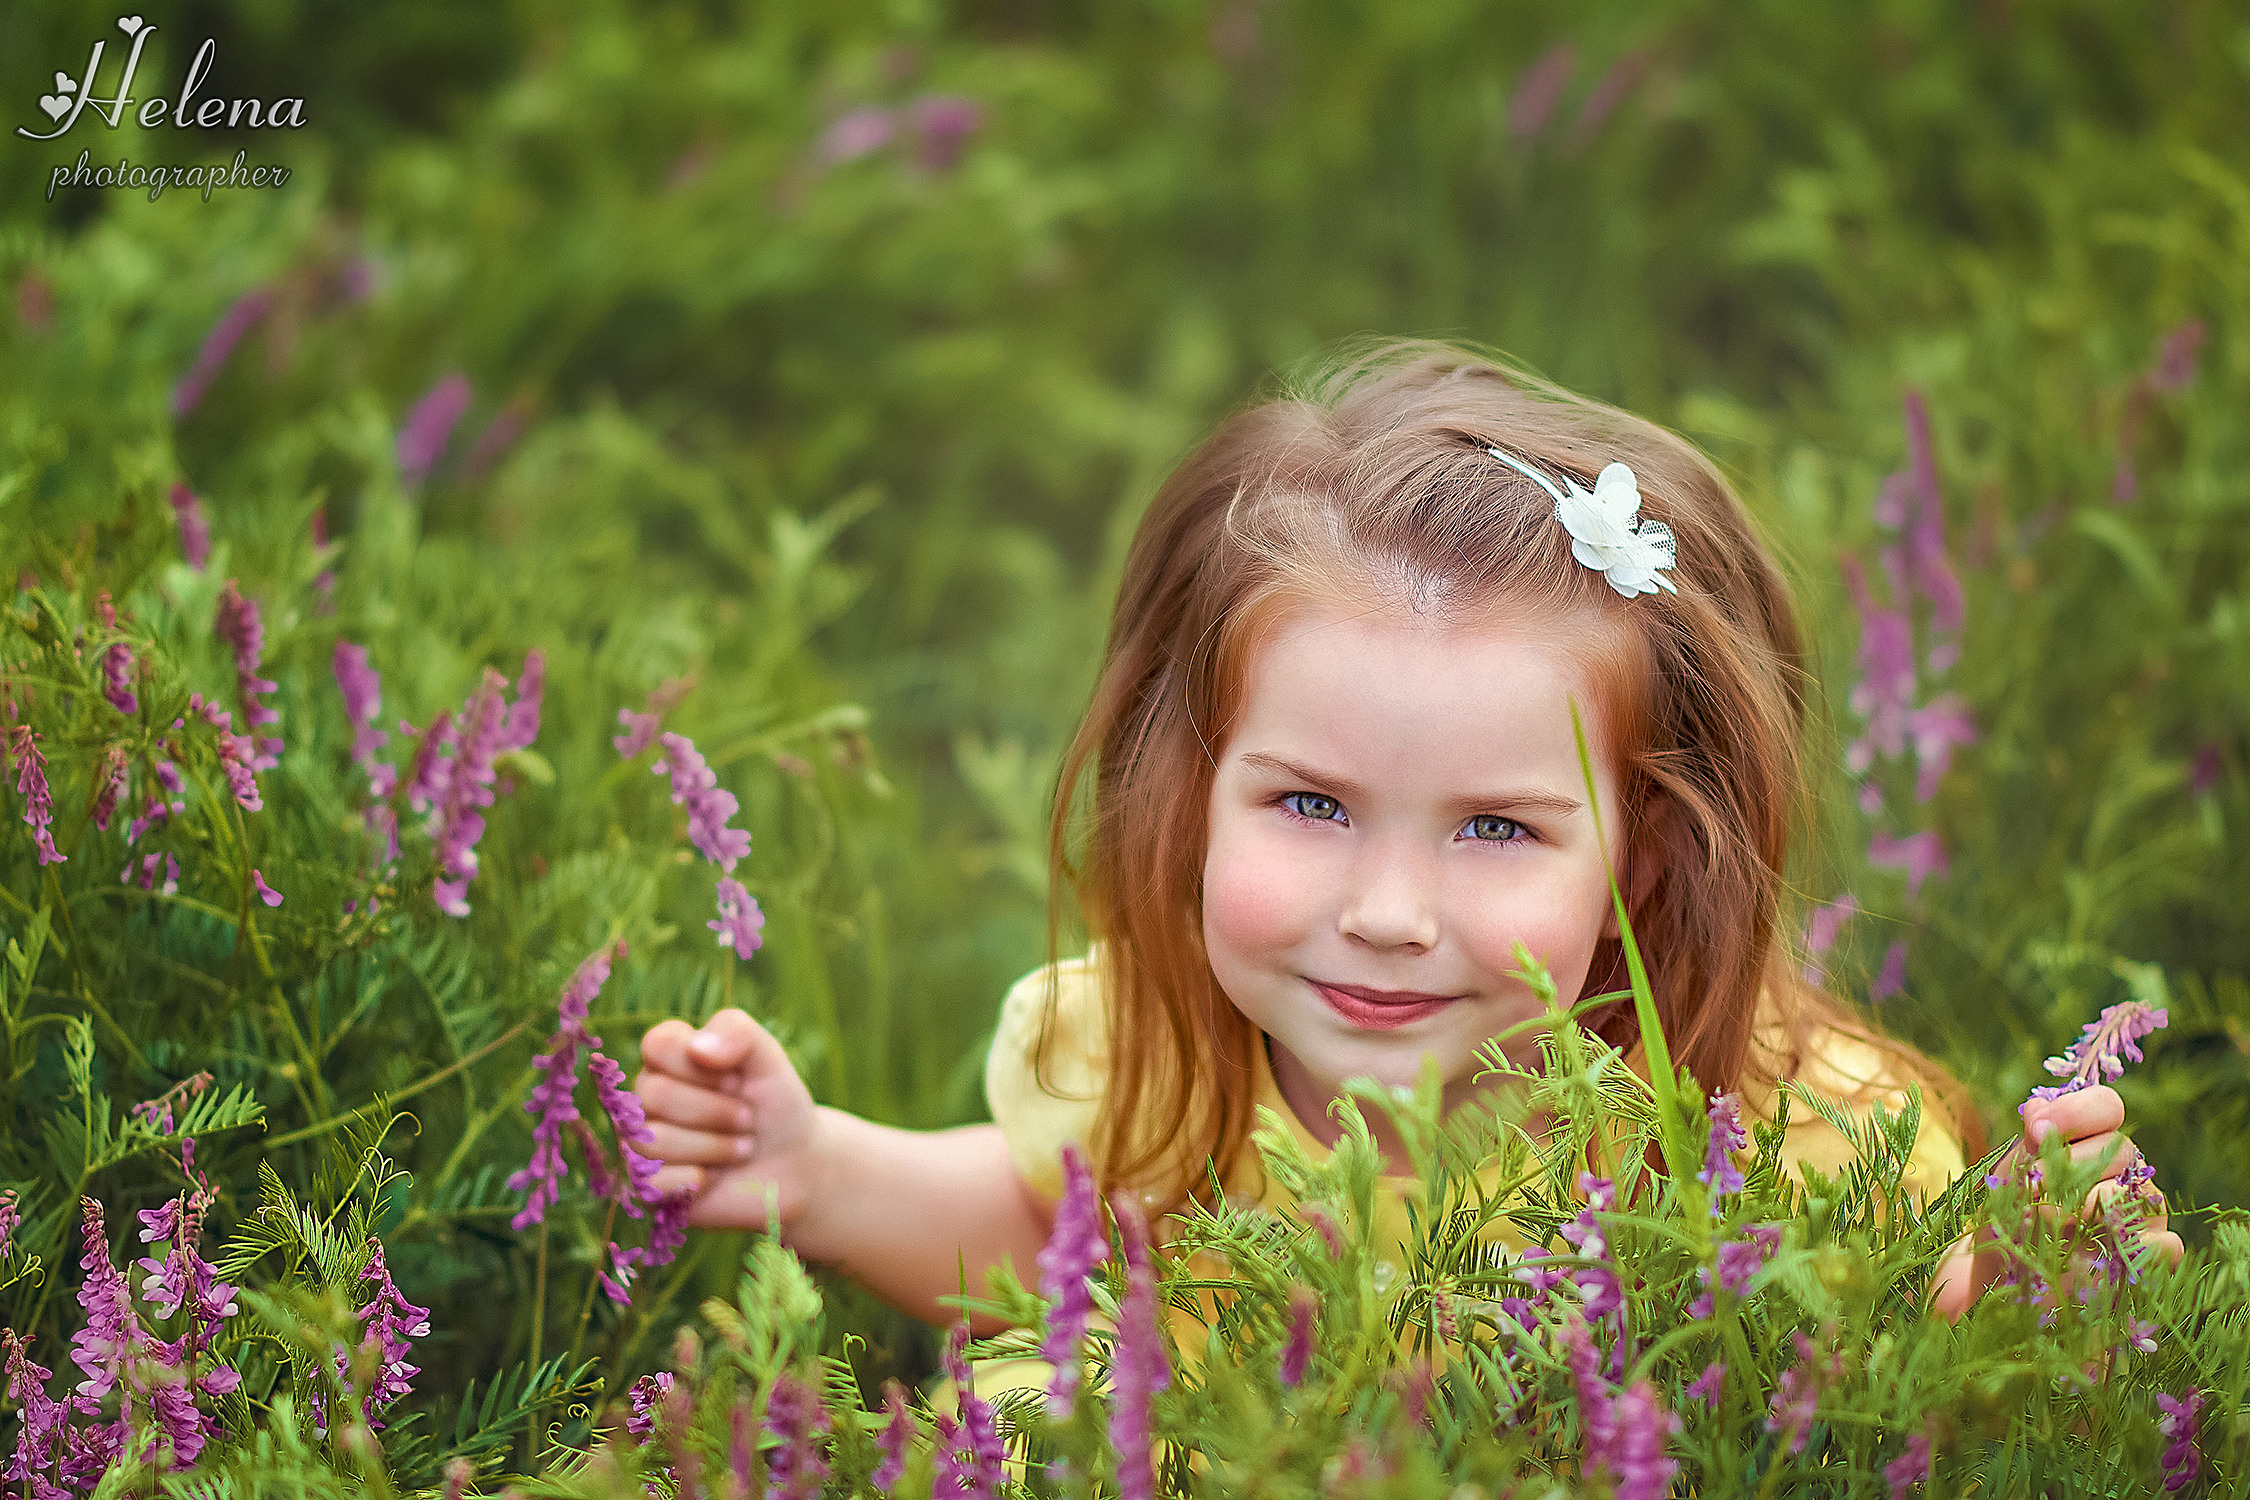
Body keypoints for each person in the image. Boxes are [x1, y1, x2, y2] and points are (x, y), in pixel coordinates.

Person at [632, 339, 2180, 1350]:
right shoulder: (1160, 1049)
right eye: (1308, 804)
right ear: (1192, 785)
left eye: (1496, 827)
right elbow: (1051, 1233)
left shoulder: (1785, 1141)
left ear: (1644, 854)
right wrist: (818, 1172)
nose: (1382, 913)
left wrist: (2040, 1308)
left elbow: (1918, 1370)